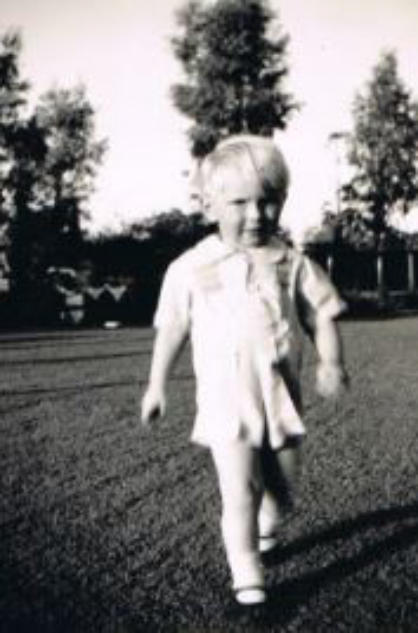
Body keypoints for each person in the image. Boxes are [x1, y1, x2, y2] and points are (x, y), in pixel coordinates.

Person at [141, 134, 348, 606]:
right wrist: (157, 386)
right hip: (225, 400)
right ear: (210, 205)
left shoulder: (292, 264)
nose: (256, 215)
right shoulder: (190, 268)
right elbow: (172, 328)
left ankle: (270, 523)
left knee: (284, 486)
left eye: (268, 202)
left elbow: (321, 315)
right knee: (241, 490)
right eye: (239, 203)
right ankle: (247, 572)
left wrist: (331, 362)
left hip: (281, 397)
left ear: (282, 202)